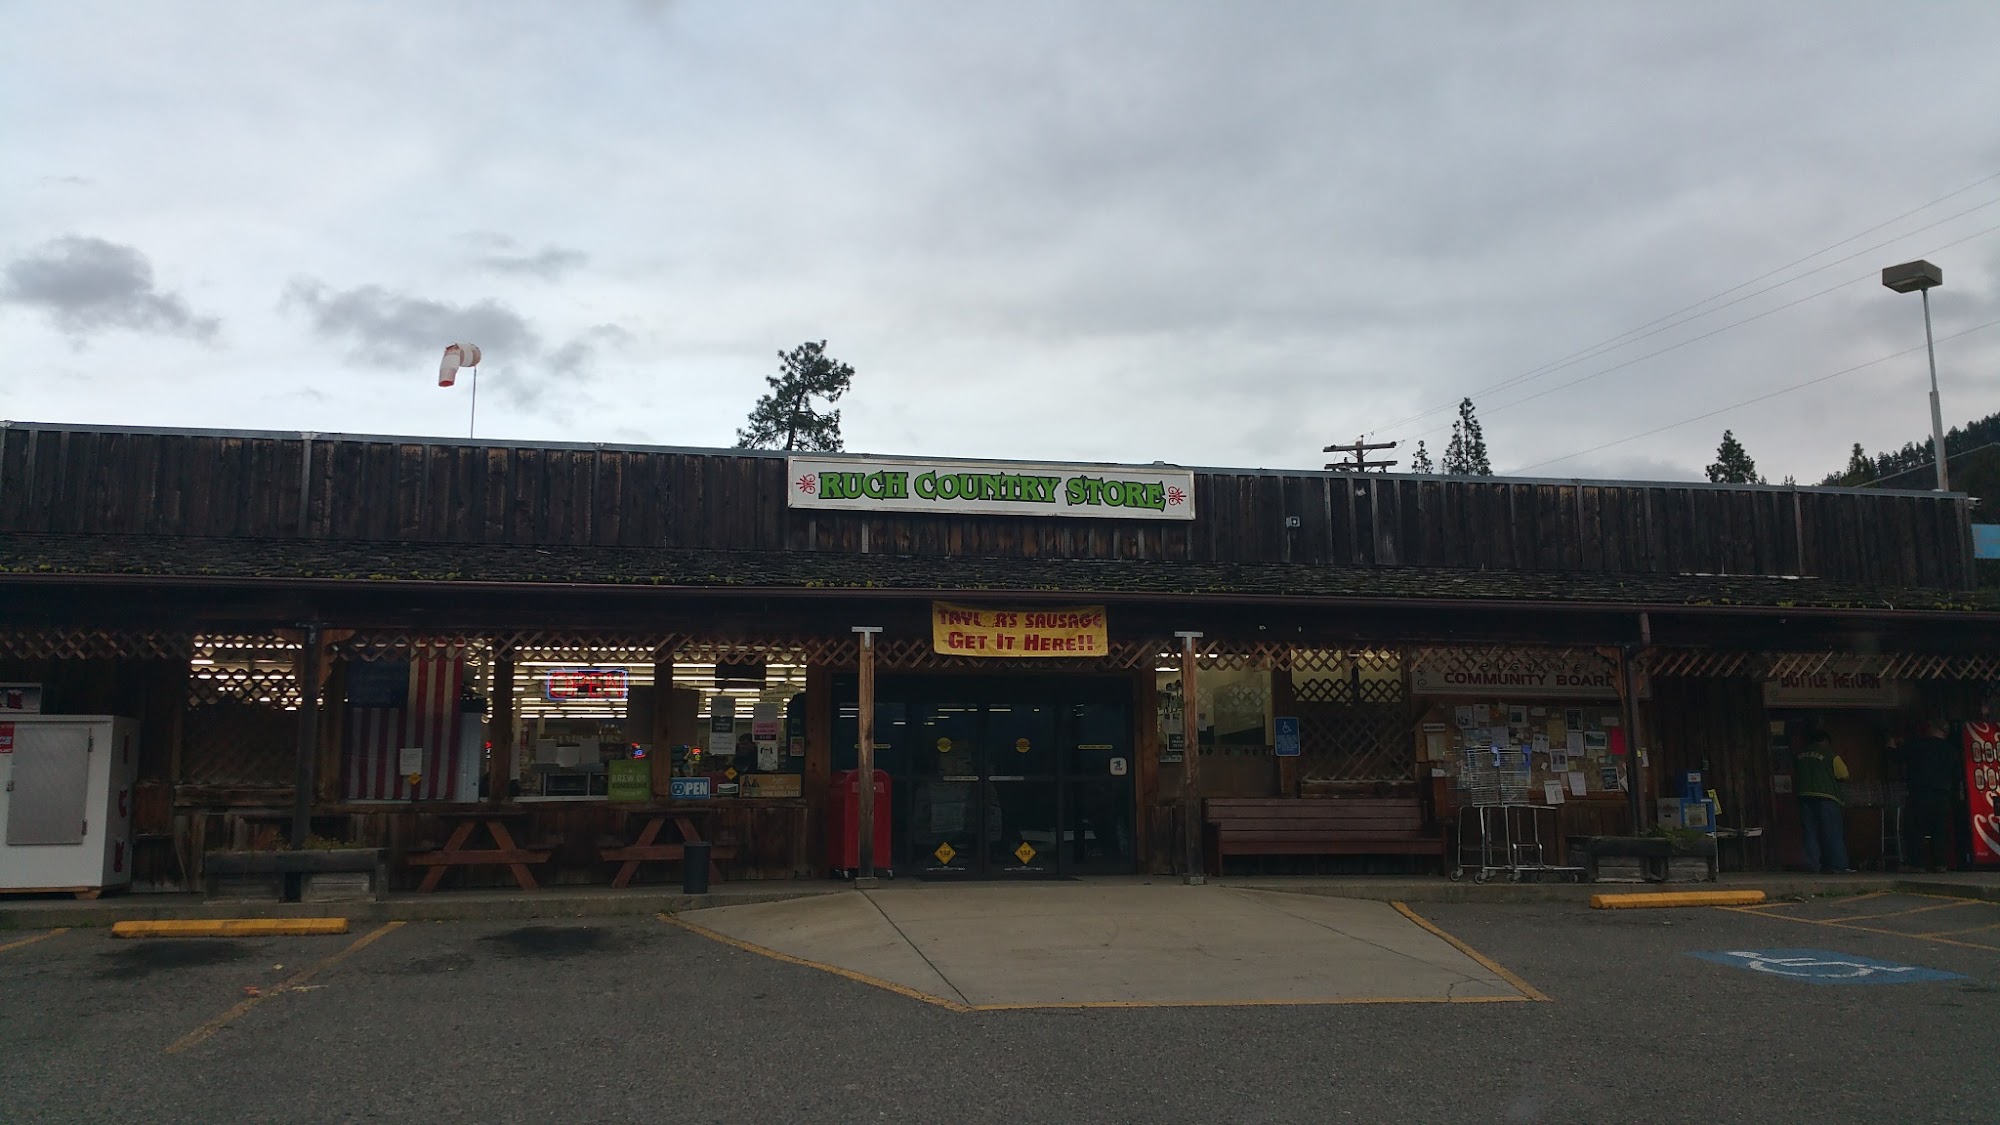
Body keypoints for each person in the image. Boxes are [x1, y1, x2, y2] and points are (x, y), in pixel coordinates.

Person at [1896, 720, 1959, 872]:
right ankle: (1940, 863)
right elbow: (1957, 774)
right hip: (1942, 794)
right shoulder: (1951, 750)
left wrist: (1891, 746)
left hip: (1920, 793)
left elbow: (1899, 757)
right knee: (1939, 830)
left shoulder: (1918, 745)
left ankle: (1917, 864)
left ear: (1932, 729)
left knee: (1915, 829)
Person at [1794, 730, 1851, 873]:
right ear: (1825, 741)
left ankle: (1812, 864)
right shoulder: (1830, 755)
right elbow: (1844, 774)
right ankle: (1837, 865)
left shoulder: (1799, 755)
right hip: (1827, 796)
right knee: (1832, 832)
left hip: (1804, 795)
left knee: (1810, 832)